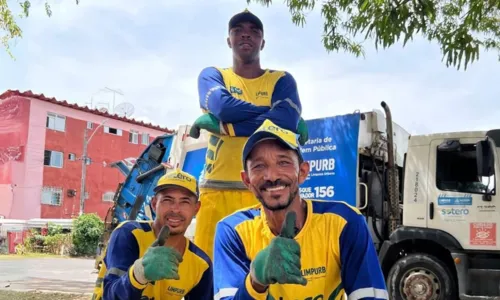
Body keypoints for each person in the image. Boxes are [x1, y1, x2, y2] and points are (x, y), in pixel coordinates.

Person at [212, 119, 388, 300]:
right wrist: (255, 280)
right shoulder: (232, 231)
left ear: (302, 172)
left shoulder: (344, 222)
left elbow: (370, 295)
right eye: (259, 166)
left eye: (283, 162)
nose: (272, 176)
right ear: (247, 180)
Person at [189, 8, 309, 260]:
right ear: (228, 40)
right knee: (209, 273)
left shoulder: (282, 80)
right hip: (217, 191)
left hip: (266, 191)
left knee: (267, 273)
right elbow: (223, 106)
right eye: (238, 31)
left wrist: (226, 127)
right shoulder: (213, 75)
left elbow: (286, 119)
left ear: (262, 42)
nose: (246, 35)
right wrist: (272, 117)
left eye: (254, 31)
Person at [91, 169, 213, 300]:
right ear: (154, 204)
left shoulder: (201, 264)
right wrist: (139, 274)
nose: (175, 209)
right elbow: (110, 295)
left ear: (196, 208)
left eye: (185, 202)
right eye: (167, 200)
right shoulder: (129, 235)